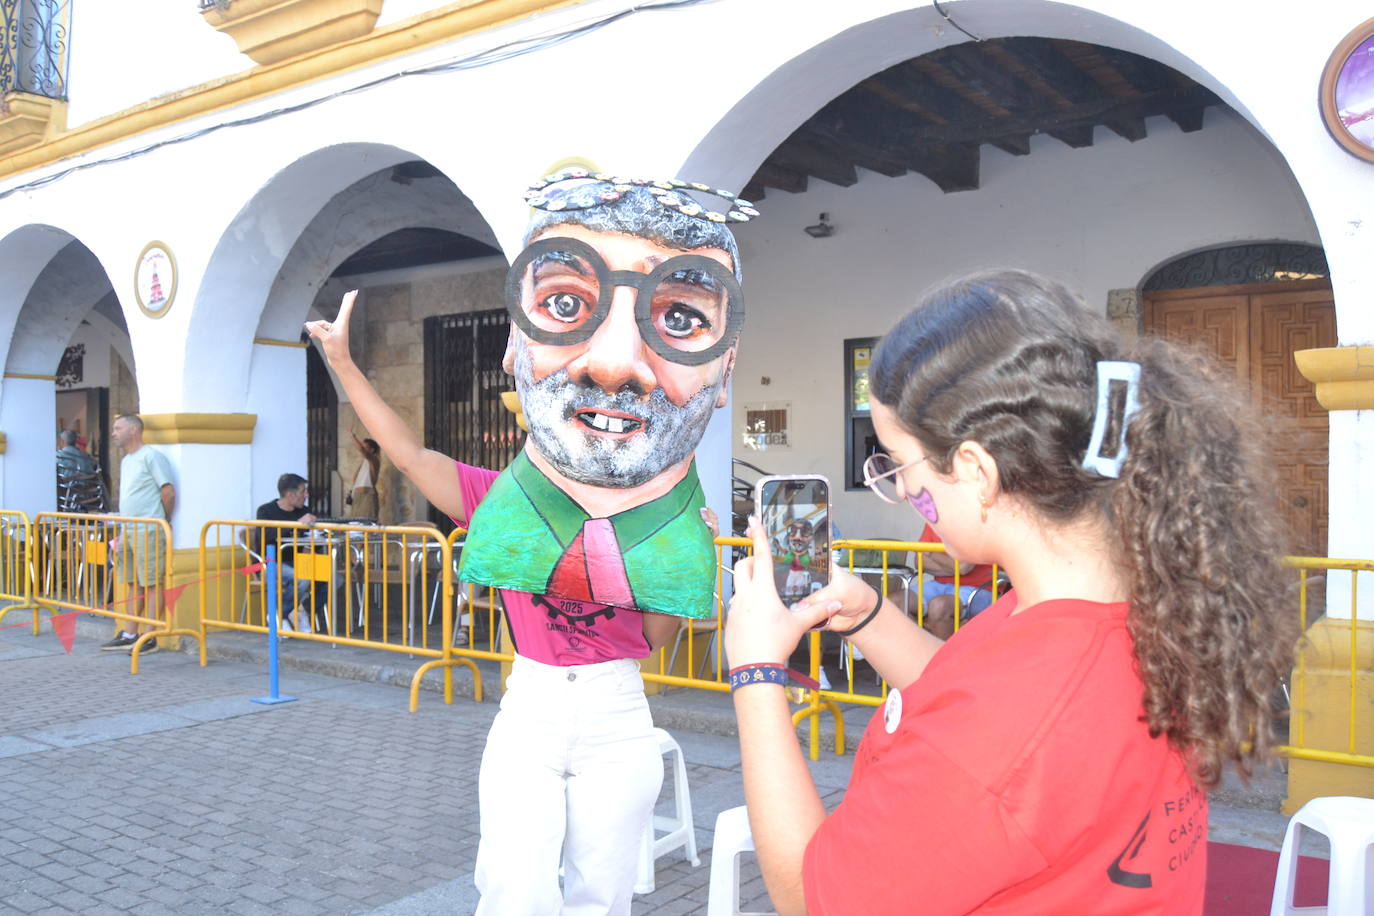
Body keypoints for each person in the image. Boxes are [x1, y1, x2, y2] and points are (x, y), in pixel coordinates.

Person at [724, 270, 1297, 915]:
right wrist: (866, 617)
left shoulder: (1009, 722)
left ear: (975, 470)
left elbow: (809, 897)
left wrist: (755, 671)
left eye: (897, 463)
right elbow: (964, 690)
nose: (899, 487)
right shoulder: (1111, 605)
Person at [307, 168, 754, 914]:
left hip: (619, 717)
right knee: (512, 889)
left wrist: (686, 564)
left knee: (600, 897)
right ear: (519, 349)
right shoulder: (501, 503)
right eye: (566, 306)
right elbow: (412, 457)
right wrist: (344, 363)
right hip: (529, 713)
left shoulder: (664, 524)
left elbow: (656, 637)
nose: (612, 366)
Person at [101, 414, 175, 655]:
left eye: (117, 428)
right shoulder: (126, 461)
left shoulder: (151, 457)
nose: (113, 433)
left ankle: (151, 634)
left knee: (152, 582)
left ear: (133, 430)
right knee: (134, 582)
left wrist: (164, 519)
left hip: (149, 528)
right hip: (129, 529)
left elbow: (168, 491)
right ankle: (130, 632)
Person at [254, 473, 329, 633]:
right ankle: (279, 614)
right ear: (290, 495)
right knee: (301, 578)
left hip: (299, 560)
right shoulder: (265, 511)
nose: (306, 495)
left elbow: (311, 542)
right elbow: (267, 536)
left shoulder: (304, 511)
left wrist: (318, 532)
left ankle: (301, 612)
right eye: (303, 492)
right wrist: (297, 524)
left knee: (331, 577)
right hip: (272, 562)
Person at [910, 523, 997, 639]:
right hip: (940, 584)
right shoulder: (933, 518)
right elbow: (919, 562)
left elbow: (963, 567)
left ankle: (945, 656)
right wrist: (953, 567)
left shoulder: (981, 520)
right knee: (895, 602)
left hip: (982, 589)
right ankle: (925, 650)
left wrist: (929, 553)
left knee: (939, 606)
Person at [347, 430, 380, 518]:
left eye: (365, 447)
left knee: (367, 525)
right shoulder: (364, 462)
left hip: (367, 498)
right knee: (355, 525)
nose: (362, 449)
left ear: (372, 450)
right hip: (358, 497)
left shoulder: (374, 460)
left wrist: (353, 436)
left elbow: (361, 449)